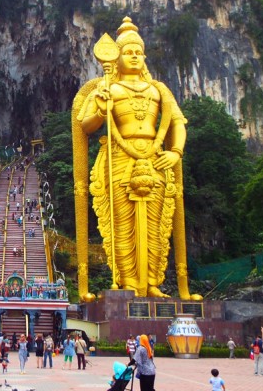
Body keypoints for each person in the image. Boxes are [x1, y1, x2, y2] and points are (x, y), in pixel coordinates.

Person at [72, 16, 201, 300]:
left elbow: (177, 123)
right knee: (122, 224)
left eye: (137, 52)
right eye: (127, 52)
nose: (133, 57)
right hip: (119, 157)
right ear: (116, 58)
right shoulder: (107, 89)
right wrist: (101, 110)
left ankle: (153, 282)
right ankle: (129, 282)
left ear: (144, 57)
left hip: (155, 158)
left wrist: (175, 151)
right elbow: (85, 125)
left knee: (157, 224)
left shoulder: (159, 90)